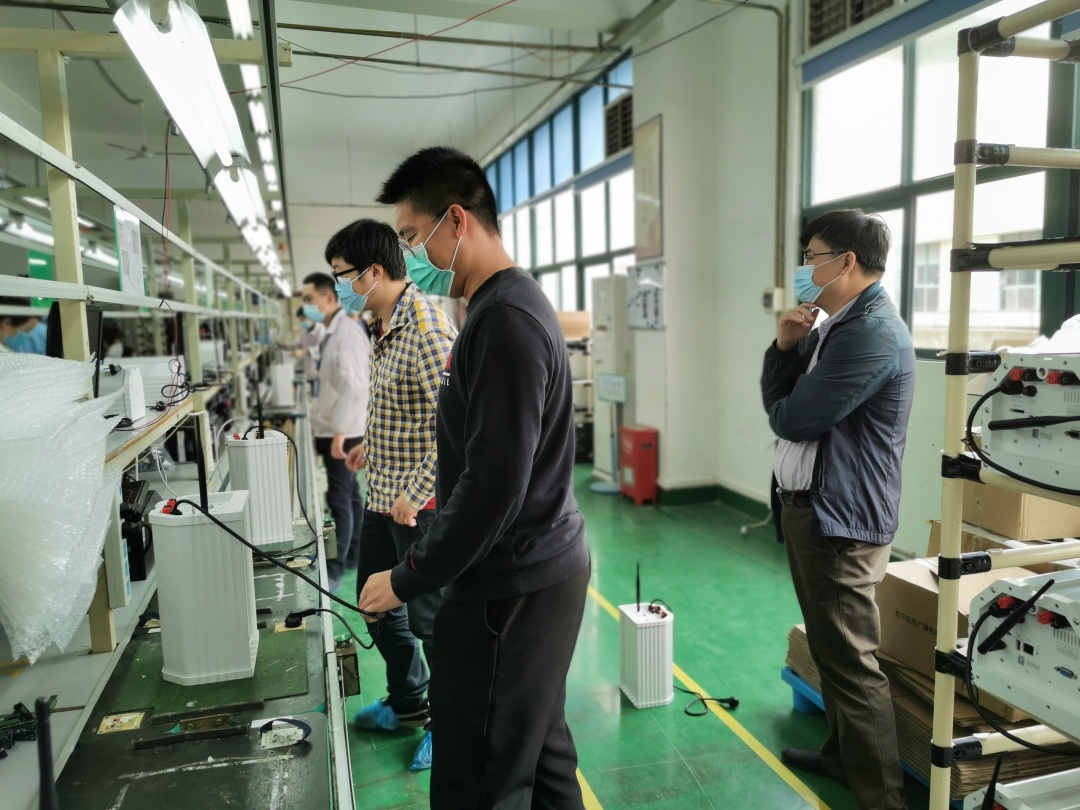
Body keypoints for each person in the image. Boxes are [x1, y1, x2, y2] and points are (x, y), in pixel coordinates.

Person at [358, 147, 590, 810]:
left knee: (480, 773)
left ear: (456, 220)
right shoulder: (495, 308)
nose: (413, 257)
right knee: (538, 752)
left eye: (413, 237)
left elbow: (493, 488)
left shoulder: (506, 320)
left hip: (510, 587)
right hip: (532, 569)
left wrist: (408, 576)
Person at [760, 209, 914, 810]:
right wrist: (785, 348)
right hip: (816, 511)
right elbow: (789, 406)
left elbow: (794, 418)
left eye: (811, 257)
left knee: (851, 662)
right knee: (830, 650)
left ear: (845, 261)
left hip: (840, 521)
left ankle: (881, 797)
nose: (803, 268)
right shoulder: (837, 326)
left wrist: (783, 393)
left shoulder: (871, 333)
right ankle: (841, 760)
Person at [325, 219, 457, 772]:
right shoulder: (381, 325)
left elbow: (458, 428)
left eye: (343, 276)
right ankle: (407, 702)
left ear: (374, 271)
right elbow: (404, 414)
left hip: (417, 511)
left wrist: (417, 490)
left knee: (431, 623)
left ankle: (448, 727)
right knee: (375, 605)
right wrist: (370, 449)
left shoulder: (427, 329)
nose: (339, 286)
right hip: (381, 497)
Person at [301, 272, 370, 592]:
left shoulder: (346, 333)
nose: (306, 306)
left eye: (309, 300)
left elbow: (353, 387)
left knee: (340, 497)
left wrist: (340, 434)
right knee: (350, 494)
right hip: (340, 427)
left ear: (328, 298)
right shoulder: (334, 331)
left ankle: (336, 569)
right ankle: (354, 553)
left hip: (344, 432)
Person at [281, 306, 324, 396]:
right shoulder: (305, 332)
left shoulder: (321, 331)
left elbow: (321, 349)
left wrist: (303, 352)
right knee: (311, 397)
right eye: (300, 321)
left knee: (318, 398)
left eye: (303, 320)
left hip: (319, 373)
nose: (302, 323)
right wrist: (287, 346)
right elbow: (298, 344)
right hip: (309, 371)